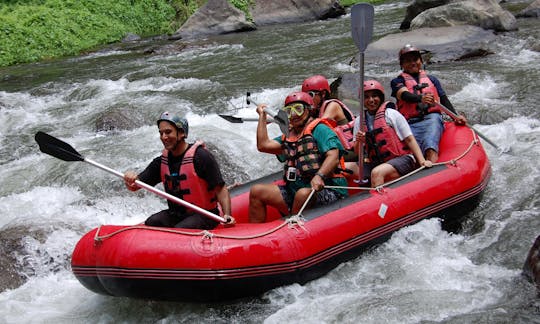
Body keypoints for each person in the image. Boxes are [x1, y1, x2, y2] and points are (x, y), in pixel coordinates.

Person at [248, 91, 348, 223]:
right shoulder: (289, 136)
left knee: (303, 194)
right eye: (289, 111)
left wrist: (319, 176)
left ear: (309, 110)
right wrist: (262, 116)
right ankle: (256, 237)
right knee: (257, 191)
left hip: (329, 191)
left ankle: (290, 229)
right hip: (294, 190)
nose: (294, 115)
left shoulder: (320, 129)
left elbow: (333, 156)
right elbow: (263, 145)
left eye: (298, 109)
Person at [123, 112, 234, 229]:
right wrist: (130, 178)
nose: (163, 137)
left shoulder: (201, 157)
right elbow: (135, 186)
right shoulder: (161, 162)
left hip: (205, 215)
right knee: (152, 222)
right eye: (161, 133)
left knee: (182, 228)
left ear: (181, 133)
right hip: (177, 214)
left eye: (168, 132)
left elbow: (221, 189)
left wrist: (227, 215)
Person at [390, 44, 467, 163]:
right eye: (408, 61)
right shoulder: (397, 81)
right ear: (402, 65)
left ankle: (433, 169)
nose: (412, 63)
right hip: (408, 122)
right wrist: (421, 97)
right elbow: (405, 95)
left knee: (430, 146)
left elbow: (443, 99)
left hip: (431, 118)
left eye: (415, 60)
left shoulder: (432, 80)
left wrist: (455, 116)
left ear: (421, 61)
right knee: (409, 154)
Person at [353, 80, 432, 187]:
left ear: (380, 97)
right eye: (366, 97)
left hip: (402, 160)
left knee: (377, 173)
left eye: (374, 96)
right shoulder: (359, 121)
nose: (371, 100)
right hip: (376, 162)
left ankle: (378, 202)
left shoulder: (392, 114)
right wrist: (359, 141)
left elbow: (409, 139)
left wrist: (422, 161)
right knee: (346, 168)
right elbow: (358, 153)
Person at [301, 75, 356, 157]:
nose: (307, 99)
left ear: (323, 94)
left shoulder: (333, 105)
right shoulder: (315, 111)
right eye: (305, 96)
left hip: (348, 151)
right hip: (333, 149)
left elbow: (320, 124)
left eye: (310, 95)